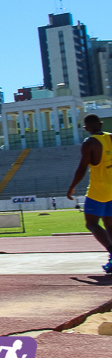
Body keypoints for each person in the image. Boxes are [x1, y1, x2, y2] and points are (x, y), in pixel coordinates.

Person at [66, 113, 112, 274]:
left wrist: (72, 187)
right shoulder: (111, 138)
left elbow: (82, 168)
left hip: (98, 190)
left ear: (86, 128)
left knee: (91, 224)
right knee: (110, 225)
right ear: (100, 124)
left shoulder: (90, 143)